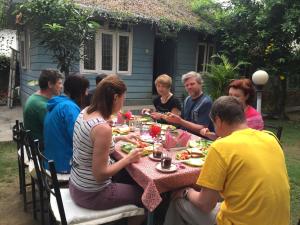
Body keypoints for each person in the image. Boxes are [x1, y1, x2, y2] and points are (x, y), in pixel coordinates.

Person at [163, 96, 290, 225]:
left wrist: (186, 191)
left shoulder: (221, 146)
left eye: (213, 124)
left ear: (218, 120)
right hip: (279, 221)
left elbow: (205, 204)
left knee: (177, 201)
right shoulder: (271, 138)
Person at [69, 75, 144, 225]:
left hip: (76, 184)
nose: (123, 104)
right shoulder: (102, 128)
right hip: (92, 193)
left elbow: (90, 144)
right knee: (146, 195)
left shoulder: (85, 112)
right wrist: (127, 159)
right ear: (115, 97)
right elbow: (100, 175)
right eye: (123, 99)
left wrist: (119, 138)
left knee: (129, 177)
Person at [43, 74, 89, 173]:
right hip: (63, 165)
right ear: (79, 92)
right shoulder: (69, 107)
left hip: (51, 161)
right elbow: (80, 139)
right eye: (85, 90)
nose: (86, 94)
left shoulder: (58, 103)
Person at [23, 69, 63, 144]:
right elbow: (56, 131)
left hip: (36, 143)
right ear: (50, 84)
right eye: (59, 83)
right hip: (40, 149)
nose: (61, 86)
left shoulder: (37, 96)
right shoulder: (42, 106)